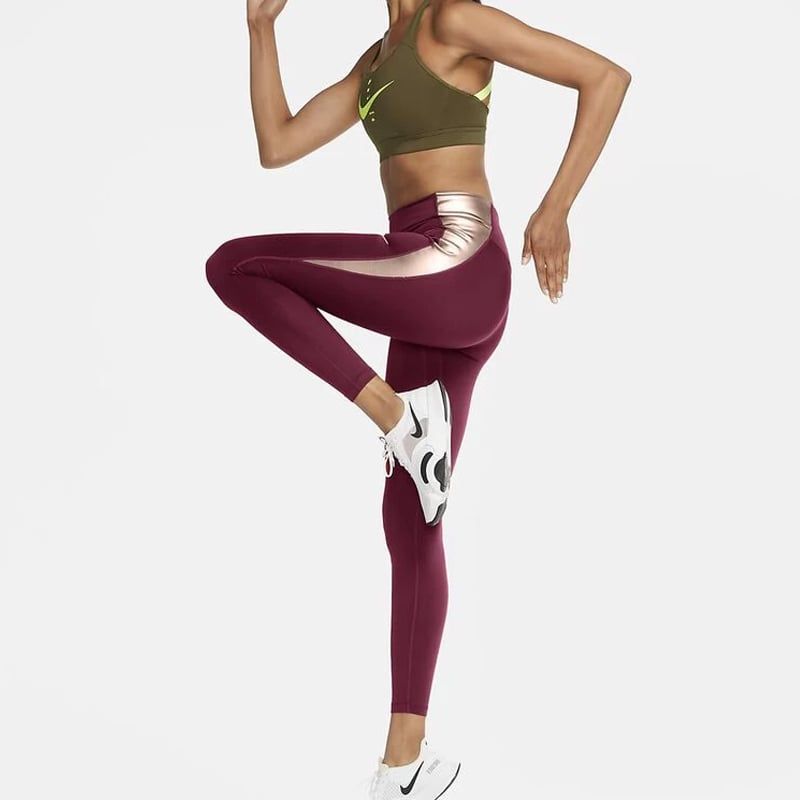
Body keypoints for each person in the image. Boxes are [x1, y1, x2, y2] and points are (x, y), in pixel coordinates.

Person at [205, 0, 631, 796]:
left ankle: (398, 417)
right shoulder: (377, 58)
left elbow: (604, 78)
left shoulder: (451, 20)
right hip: (426, 289)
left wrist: (555, 208)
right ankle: (406, 766)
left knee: (237, 266)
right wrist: (262, 30)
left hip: (453, 258)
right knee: (410, 522)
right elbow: (278, 145)